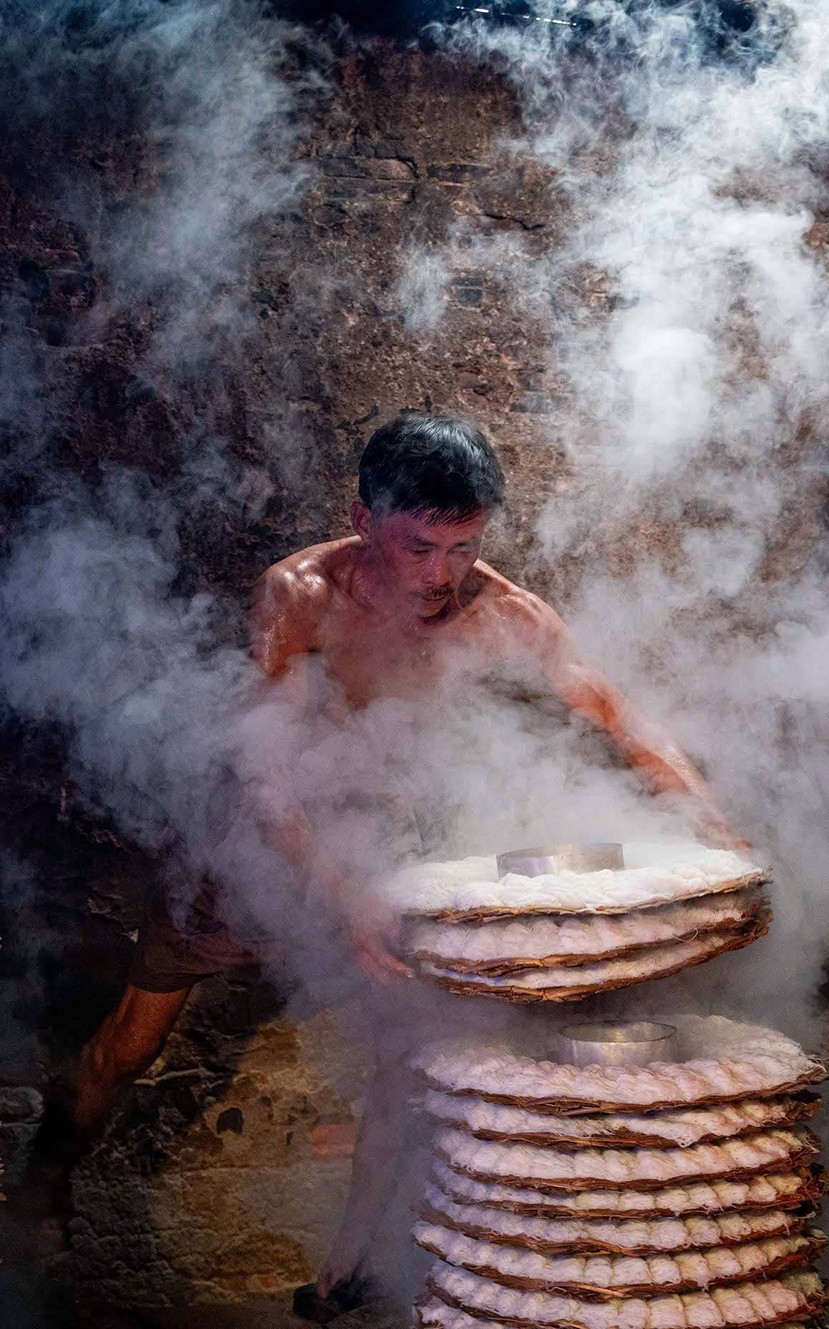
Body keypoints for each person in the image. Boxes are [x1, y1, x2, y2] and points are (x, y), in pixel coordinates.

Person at [72, 411, 745, 1314]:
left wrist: (715, 825)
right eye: (420, 546)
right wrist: (340, 894)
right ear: (363, 517)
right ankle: (42, 1178)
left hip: (378, 845)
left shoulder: (507, 613)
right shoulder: (301, 593)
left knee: (407, 1044)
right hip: (251, 851)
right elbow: (266, 772)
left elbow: (625, 722)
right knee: (132, 1044)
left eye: (463, 546)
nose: (441, 575)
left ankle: (345, 1266)